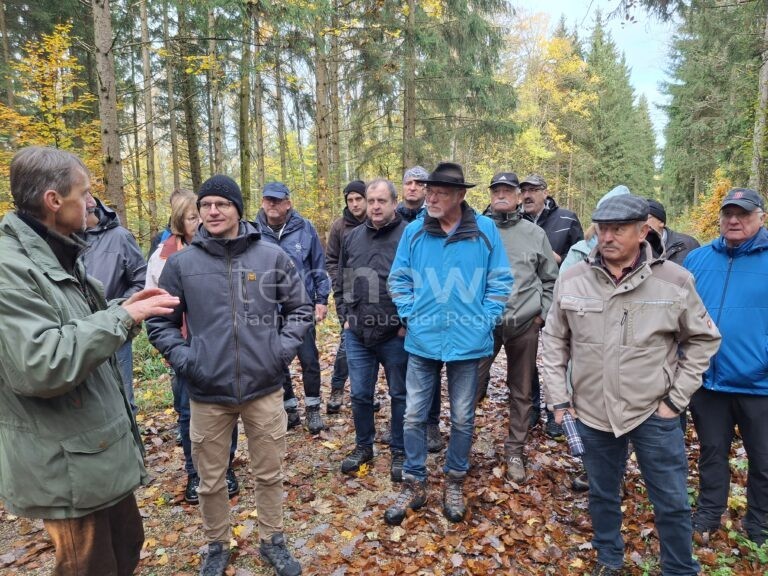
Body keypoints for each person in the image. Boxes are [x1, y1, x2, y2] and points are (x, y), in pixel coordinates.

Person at [0, 146, 179, 576]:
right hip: (66, 463)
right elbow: (39, 363)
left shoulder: (56, 252)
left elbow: (77, 325)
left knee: (124, 547)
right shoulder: (11, 267)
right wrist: (121, 317)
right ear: (53, 200)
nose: (92, 203)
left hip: (95, 452)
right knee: (89, 564)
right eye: (84, 193)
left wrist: (125, 306)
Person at [541, 194, 721, 576]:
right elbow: (554, 339)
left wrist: (675, 400)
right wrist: (559, 400)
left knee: (671, 499)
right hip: (591, 411)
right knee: (602, 494)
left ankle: (678, 567)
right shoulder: (573, 279)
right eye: (602, 228)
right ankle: (609, 559)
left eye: (618, 229)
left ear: (643, 232)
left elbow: (704, 339)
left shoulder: (674, 280)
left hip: (653, 411)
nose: (607, 237)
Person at [147, 175, 312, 576]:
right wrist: (188, 361)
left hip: (263, 389)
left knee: (269, 473)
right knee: (210, 479)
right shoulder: (182, 264)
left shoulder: (270, 257)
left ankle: (273, 539)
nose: (213, 211)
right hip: (207, 392)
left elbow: (300, 310)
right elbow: (161, 323)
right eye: (206, 205)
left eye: (221, 204)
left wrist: (278, 353)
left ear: (238, 208)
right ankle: (216, 543)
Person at [384, 161, 513, 525]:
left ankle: (454, 481)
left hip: (467, 343)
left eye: (440, 192)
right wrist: (410, 314)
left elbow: (500, 282)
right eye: (429, 191)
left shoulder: (485, 230)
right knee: (413, 415)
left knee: (462, 417)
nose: (431, 197)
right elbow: (399, 279)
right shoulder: (414, 232)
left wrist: (484, 319)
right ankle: (414, 483)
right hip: (422, 342)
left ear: (460, 196)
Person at [684, 187, 768, 546]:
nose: (734, 220)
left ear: (760, 217)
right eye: (728, 214)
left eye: (743, 214)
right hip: (708, 382)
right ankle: (707, 514)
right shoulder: (698, 260)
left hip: (760, 385)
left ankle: (759, 526)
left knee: (763, 462)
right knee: (711, 453)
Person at [146, 191, 239, 505]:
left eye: (201, 215)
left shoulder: (220, 251)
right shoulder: (164, 256)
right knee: (187, 413)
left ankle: (226, 466)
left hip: (222, 348)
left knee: (230, 406)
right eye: (193, 217)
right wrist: (180, 354)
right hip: (186, 350)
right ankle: (194, 472)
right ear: (180, 222)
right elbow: (156, 308)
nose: (202, 220)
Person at [475, 172, 558, 483]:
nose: (501, 195)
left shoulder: (534, 234)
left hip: (524, 324)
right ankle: (461, 447)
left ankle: (515, 451)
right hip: (484, 325)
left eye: (507, 190)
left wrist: (541, 315)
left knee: (521, 392)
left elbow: (550, 279)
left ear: (518, 195)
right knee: (470, 386)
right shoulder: (479, 230)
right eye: (495, 189)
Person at [336, 179, 409, 481]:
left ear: (394, 202)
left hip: (396, 334)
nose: (375, 206)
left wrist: (407, 323)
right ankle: (363, 446)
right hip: (358, 333)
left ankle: (400, 450)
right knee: (361, 394)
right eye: (371, 200)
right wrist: (344, 316)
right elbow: (341, 278)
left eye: (382, 201)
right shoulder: (352, 238)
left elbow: (419, 282)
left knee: (400, 395)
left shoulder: (409, 236)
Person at [256, 181, 331, 434]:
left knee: (309, 359)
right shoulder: (253, 231)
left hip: (300, 306)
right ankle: (289, 410)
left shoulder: (305, 228)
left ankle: (313, 409)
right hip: (267, 309)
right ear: (262, 202)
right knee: (277, 360)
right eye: (268, 199)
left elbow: (319, 266)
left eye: (277, 200)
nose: (272, 204)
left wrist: (321, 300)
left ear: (288, 204)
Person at [519, 173, 584, 437]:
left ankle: (554, 411)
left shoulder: (566, 218)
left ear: (546, 192)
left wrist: (559, 258)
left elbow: (581, 253)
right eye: (524, 190)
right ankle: (532, 406)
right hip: (526, 301)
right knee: (526, 361)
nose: (527, 195)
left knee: (557, 356)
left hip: (559, 297)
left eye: (534, 189)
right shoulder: (516, 221)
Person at [82, 197, 147, 417]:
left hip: (115, 333)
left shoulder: (120, 237)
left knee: (123, 400)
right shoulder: (65, 238)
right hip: (77, 335)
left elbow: (141, 280)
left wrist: (114, 310)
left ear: (89, 203)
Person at [396, 165, 445, 453]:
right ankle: (407, 426)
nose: (413, 187)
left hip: (429, 312)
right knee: (403, 375)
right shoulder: (393, 218)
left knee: (431, 371)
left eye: (419, 183)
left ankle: (431, 423)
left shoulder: (436, 218)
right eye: (409, 182)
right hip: (398, 308)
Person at [325, 180, 367, 414]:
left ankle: (365, 393)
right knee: (346, 342)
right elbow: (331, 258)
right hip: (347, 295)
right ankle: (337, 389)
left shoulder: (376, 223)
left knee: (373, 347)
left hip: (373, 296)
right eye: (350, 200)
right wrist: (338, 281)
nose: (354, 204)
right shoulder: (340, 227)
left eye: (358, 199)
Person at [645, 198, 700, 265]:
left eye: (646, 218)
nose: (642, 222)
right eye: (639, 219)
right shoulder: (635, 247)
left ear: (661, 222)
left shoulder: (689, 244)